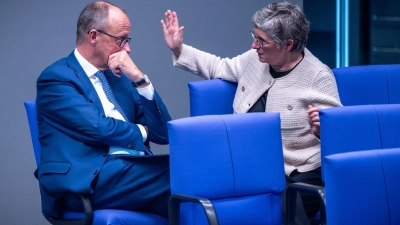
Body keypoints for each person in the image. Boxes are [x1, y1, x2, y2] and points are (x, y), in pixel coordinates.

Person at [161, 1, 342, 224]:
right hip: (249, 164)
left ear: (288, 44)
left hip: (297, 171)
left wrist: (322, 131)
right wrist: (178, 48)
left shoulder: (318, 77)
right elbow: (219, 67)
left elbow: (340, 137)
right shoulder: (254, 60)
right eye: (254, 36)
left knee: (277, 201)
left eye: (262, 41)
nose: (254, 45)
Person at [36, 1, 172, 219]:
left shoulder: (121, 77)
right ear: (93, 36)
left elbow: (163, 134)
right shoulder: (57, 78)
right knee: (183, 172)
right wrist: (142, 131)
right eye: (121, 40)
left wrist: (141, 80)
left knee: (186, 198)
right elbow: (97, 128)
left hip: (132, 172)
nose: (127, 49)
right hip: (88, 180)